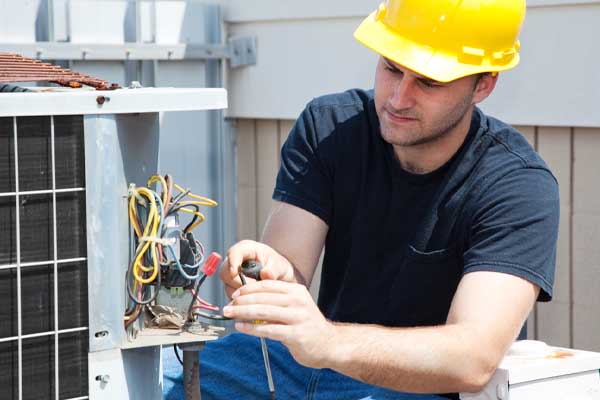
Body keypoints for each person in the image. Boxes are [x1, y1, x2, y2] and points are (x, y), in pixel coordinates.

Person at [163, 0, 559, 398]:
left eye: (429, 82)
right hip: (303, 365)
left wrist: (327, 342)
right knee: (151, 376)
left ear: (484, 84)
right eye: (391, 68)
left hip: (416, 389)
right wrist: (270, 271)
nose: (398, 98)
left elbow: (472, 359)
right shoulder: (328, 127)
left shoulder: (517, 185)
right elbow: (290, 270)